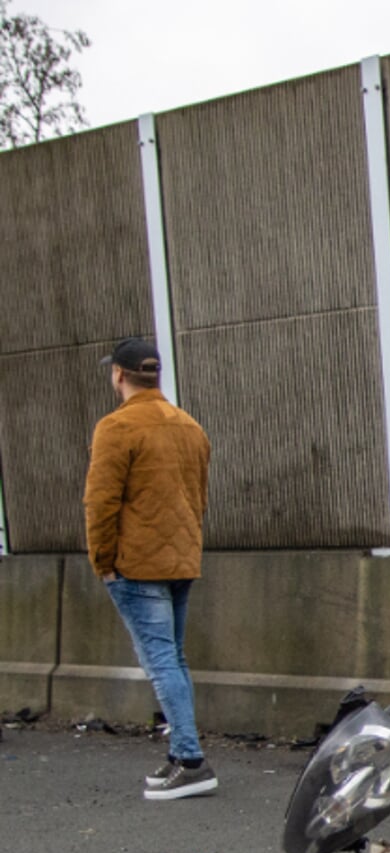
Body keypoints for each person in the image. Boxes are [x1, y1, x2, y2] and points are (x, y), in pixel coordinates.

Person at [83, 337, 215, 800]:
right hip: (181, 558)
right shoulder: (189, 426)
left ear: (119, 374)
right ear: (154, 375)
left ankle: (192, 759)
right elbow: (197, 499)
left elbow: (100, 502)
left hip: (136, 564)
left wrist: (103, 561)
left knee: (160, 662)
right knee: (173, 659)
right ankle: (183, 755)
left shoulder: (116, 428)